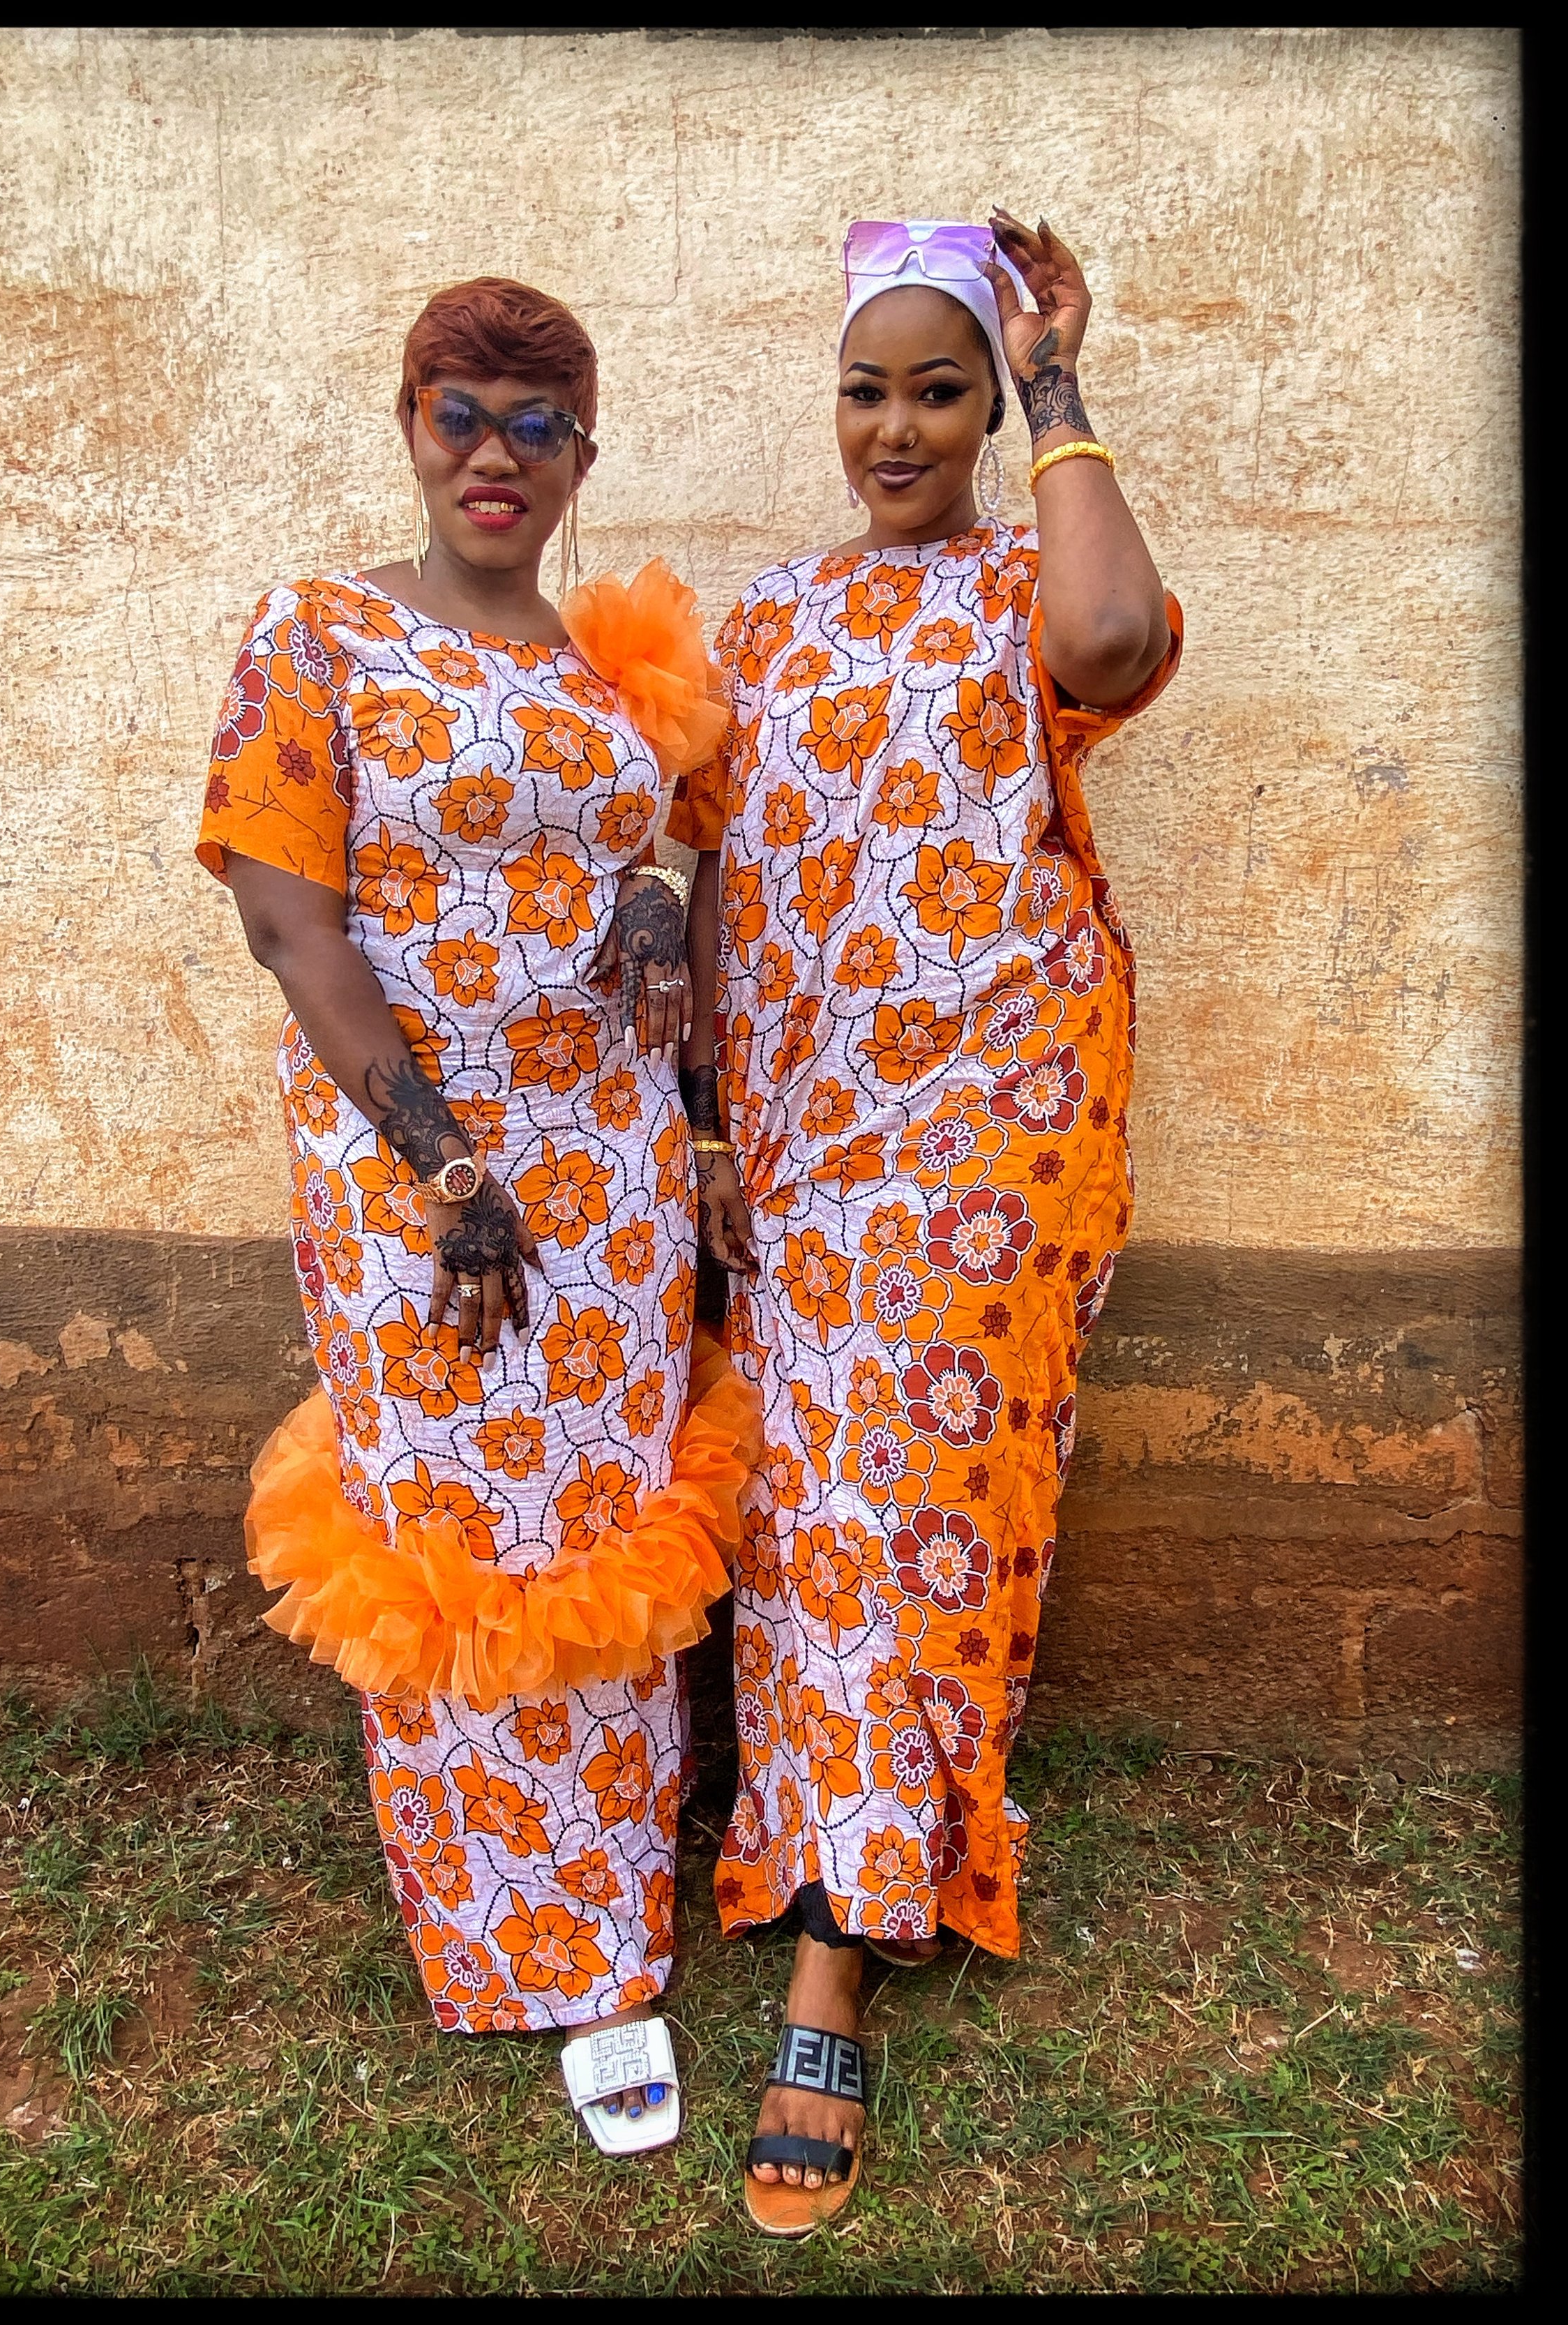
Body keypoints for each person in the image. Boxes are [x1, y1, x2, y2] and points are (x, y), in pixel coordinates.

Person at [196, 276, 758, 2157]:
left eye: (536, 424)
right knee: (452, 1544)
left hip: (604, 1185)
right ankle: (499, 1939)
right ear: (409, 422)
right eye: (461, 413)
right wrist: (443, 1165)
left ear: (581, 454)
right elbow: (293, 924)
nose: (494, 456)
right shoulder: (319, 636)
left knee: (602, 1526)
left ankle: (608, 1939)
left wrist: (661, 942)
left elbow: (645, 862)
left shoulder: (612, 668)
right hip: (418, 1194)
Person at [669, 213, 1183, 2233]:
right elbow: (706, 885)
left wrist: (1064, 388)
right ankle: (818, 1845)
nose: (895, 428)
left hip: (988, 1149)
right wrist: (703, 1121)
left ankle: (835, 1961)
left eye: (940, 388)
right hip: (796, 1162)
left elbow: (1115, 651)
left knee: (922, 1514)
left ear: (992, 406)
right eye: (866, 389)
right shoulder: (766, 625)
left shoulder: (1016, 587)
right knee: (813, 1523)